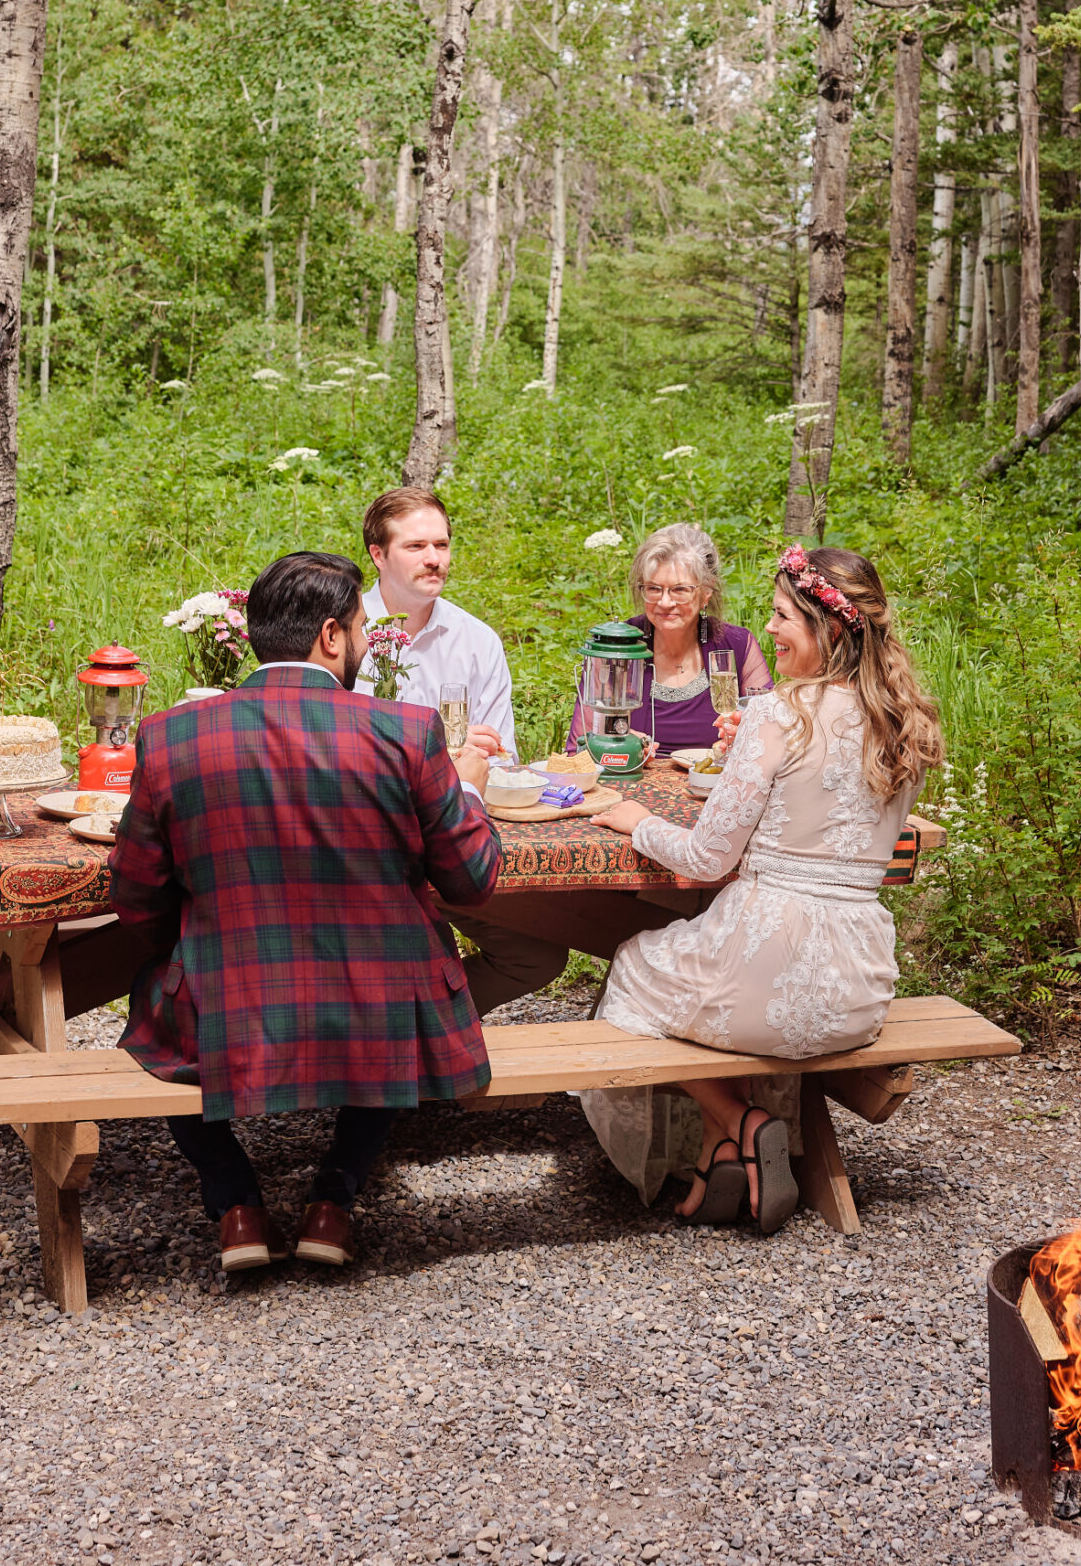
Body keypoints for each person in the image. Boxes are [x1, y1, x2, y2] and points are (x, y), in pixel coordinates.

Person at [111, 549, 500, 1274]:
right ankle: (334, 1200)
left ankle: (235, 1204)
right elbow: (472, 879)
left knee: (156, 1005)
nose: (364, 642)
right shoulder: (408, 733)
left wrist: (194, 938)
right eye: (361, 627)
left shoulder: (170, 735)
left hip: (228, 1006)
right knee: (392, 985)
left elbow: (134, 893)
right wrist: (469, 787)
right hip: (378, 1010)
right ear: (330, 635)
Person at [591, 545, 942, 1237]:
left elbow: (706, 857)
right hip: (856, 992)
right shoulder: (907, 720)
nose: (771, 629)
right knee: (723, 982)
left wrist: (637, 822)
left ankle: (740, 1121)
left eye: (783, 616)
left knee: (632, 966)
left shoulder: (780, 713)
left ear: (828, 628)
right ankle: (719, 1157)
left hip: (766, 963)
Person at [566, 523, 772, 760]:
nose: (665, 602)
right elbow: (577, 754)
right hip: (633, 781)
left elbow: (769, 737)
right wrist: (617, 746)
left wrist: (740, 739)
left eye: (679, 590)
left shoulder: (736, 645)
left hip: (714, 780)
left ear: (706, 592)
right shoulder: (616, 648)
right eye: (654, 588)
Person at [354, 485, 517, 766]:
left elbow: (500, 758)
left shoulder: (479, 641)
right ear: (378, 555)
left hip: (461, 794)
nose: (433, 559)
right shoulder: (342, 635)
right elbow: (329, 745)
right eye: (415, 546)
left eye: (441, 545)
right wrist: (441, 746)